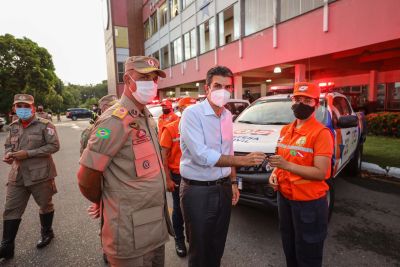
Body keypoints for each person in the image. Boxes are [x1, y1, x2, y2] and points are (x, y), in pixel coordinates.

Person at [77, 56, 174, 267]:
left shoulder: (146, 117)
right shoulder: (113, 120)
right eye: (144, 77)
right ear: (128, 80)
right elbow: (86, 176)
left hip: (154, 225)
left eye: (154, 78)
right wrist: (103, 200)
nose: (151, 83)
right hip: (128, 232)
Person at [179, 66, 266, 267]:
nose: (223, 91)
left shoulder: (227, 115)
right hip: (198, 190)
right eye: (218, 85)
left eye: (228, 87)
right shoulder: (192, 114)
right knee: (200, 248)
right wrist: (243, 161)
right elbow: (201, 155)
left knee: (217, 244)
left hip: (224, 188)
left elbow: (229, 149)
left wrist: (234, 181)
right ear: (206, 88)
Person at [268, 82, 334, 267]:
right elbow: (281, 159)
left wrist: (285, 165)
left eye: (307, 100)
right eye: (297, 99)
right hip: (285, 198)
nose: (301, 103)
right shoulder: (286, 130)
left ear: (316, 104)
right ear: (292, 101)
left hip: (309, 203)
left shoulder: (321, 133)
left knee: (308, 255)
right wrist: (274, 173)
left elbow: (321, 173)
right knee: (289, 247)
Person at [0, 94, 60, 260]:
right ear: (14, 108)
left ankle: (47, 232)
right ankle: (7, 245)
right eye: (19, 106)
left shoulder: (45, 125)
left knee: (45, 204)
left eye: (26, 106)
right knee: (11, 208)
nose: (23, 109)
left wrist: (28, 154)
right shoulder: (13, 126)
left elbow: (54, 146)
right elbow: (8, 145)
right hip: (17, 175)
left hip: (40, 174)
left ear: (33, 108)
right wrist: (8, 154)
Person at [159, 97, 196, 258]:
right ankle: (179, 240)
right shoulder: (171, 128)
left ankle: (192, 238)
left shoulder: (199, 127)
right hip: (177, 175)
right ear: (180, 110)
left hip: (196, 175)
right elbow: (163, 156)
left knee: (194, 209)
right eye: (187, 108)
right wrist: (167, 179)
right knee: (179, 209)